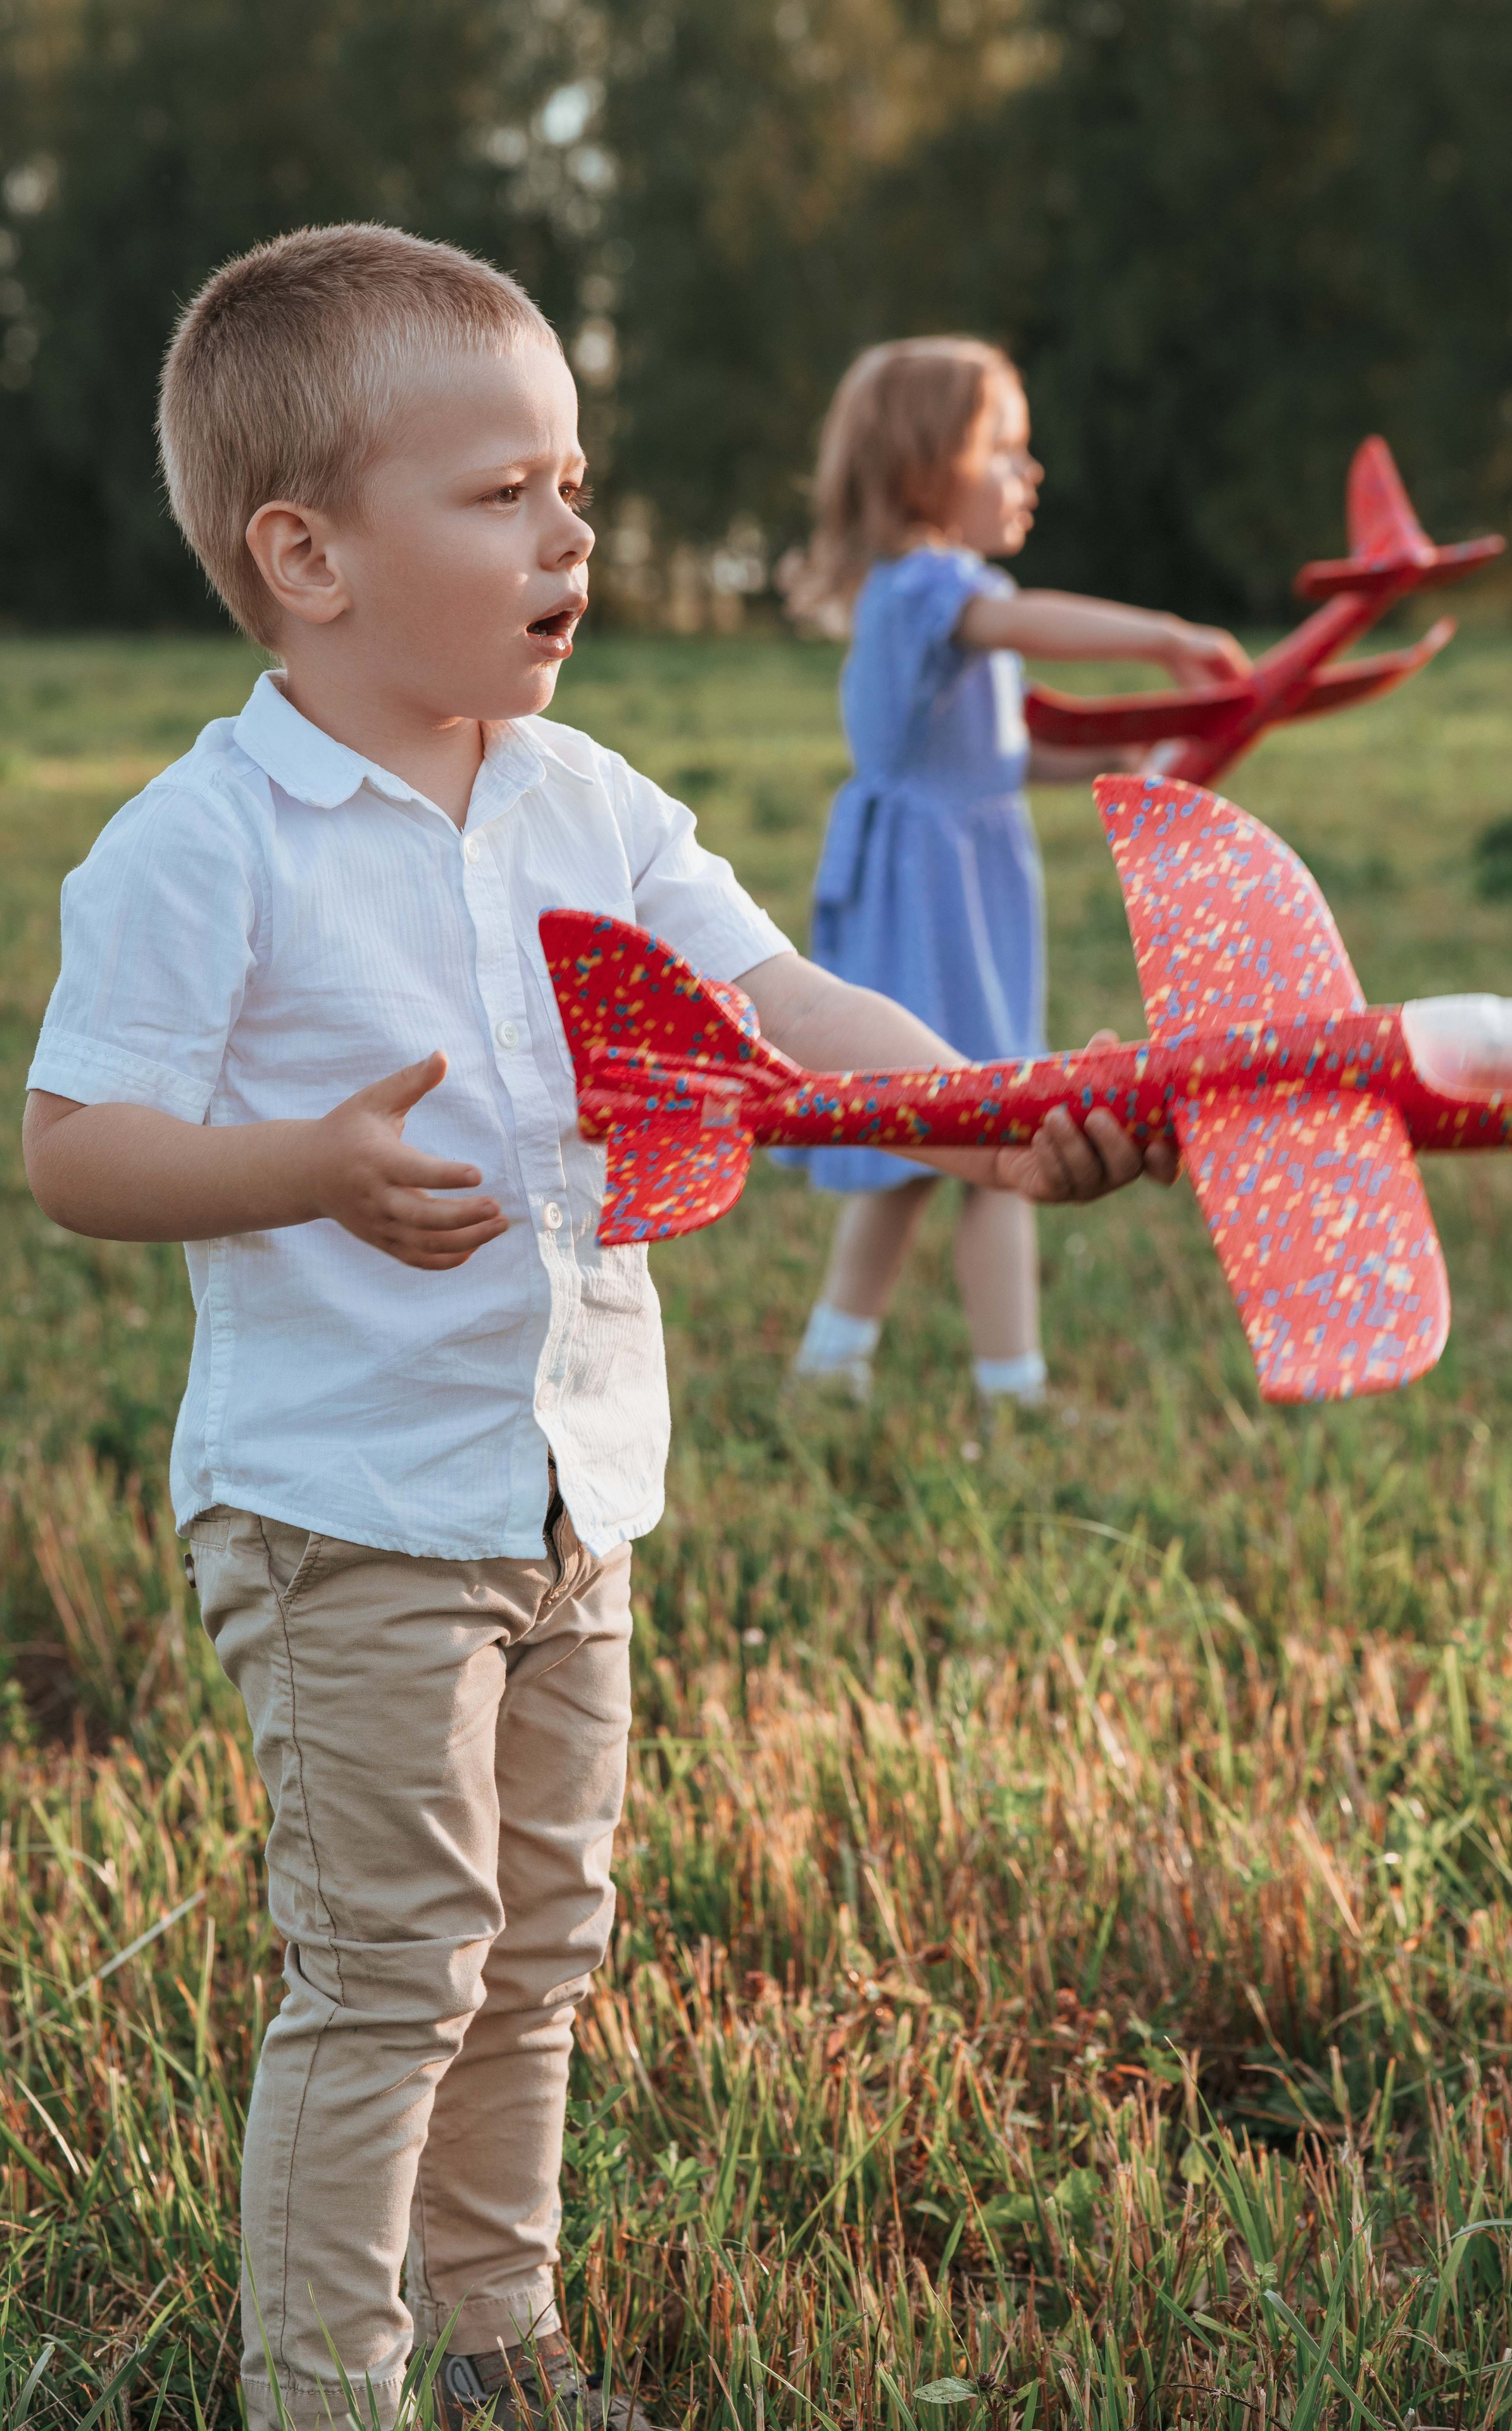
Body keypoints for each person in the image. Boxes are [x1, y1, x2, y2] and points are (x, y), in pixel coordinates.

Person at [20, 229, 1178, 2431]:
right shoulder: (207, 844)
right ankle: (324, 2383)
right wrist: (309, 1168)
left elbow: (777, 1007)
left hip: (570, 1488)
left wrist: (979, 1115)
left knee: (538, 1951)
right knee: (389, 1968)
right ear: (309, 555)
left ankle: (499, 2340)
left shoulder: (588, 802)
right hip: (346, 1504)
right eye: (507, 493)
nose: (574, 530)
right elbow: (77, 1147)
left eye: (579, 478)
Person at [782, 337, 1247, 1407]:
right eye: (1005, 448)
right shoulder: (935, 588)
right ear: (924, 466)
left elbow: (990, 754)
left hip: (951, 886)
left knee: (923, 1135)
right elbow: (1024, 619)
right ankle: (1013, 1386)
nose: (1028, 474)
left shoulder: (914, 598)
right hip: (934, 900)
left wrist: (1098, 761)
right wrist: (1166, 635)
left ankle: (832, 1356)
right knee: (994, 1124)